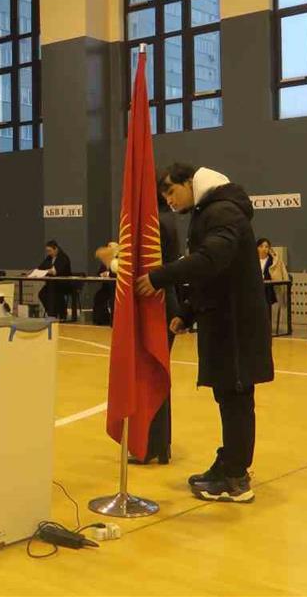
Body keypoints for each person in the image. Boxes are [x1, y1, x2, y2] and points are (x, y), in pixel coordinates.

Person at [136, 163, 273, 503]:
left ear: (189, 182)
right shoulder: (213, 210)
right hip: (226, 322)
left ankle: (236, 478)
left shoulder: (223, 211)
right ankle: (228, 464)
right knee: (228, 397)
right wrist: (187, 312)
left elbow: (211, 259)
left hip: (236, 327)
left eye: (171, 190)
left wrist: (158, 277)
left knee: (236, 399)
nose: (168, 199)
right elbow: (213, 276)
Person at [96, 192, 184, 464]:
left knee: (148, 376)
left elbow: (140, 272)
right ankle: (159, 444)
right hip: (164, 303)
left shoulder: (152, 221)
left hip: (153, 308)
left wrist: (111, 260)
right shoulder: (165, 219)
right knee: (157, 373)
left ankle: (149, 445)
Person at [36, 240, 73, 320]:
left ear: (56, 249)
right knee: (42, 294)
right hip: (52, 284)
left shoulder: (63, 257)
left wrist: (50, 271)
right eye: (47, 251)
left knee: (54, 291)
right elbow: (41, 267)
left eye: (50, 251)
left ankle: (56, 314)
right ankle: (52, 312)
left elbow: (59, 271)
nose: (48, 253)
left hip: (63, 284)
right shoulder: (49, 258)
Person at [257, 238, 289, 311]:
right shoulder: (253, 261)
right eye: (261, 246)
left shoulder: (274, 261)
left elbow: (282, 275)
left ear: (269, 248)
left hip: (269, 289)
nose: (264, 249)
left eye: (266, 247)